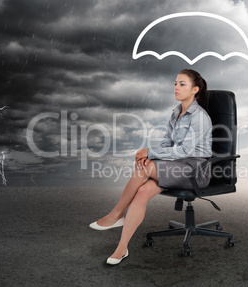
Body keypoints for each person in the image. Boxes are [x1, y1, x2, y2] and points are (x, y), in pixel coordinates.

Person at [89, 69, 213, 265]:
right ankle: (122, 248)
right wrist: (152, 157)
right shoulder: (176, 112)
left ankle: (116, 214)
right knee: (142, 191)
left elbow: (185, 151)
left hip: (196, 169)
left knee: (143, 167)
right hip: (175, 166)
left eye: (182, 84)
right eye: (175, 83)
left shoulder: (200, 116)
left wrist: (151, 154)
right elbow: (166, 143)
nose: (176, 88)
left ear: (195, 90)